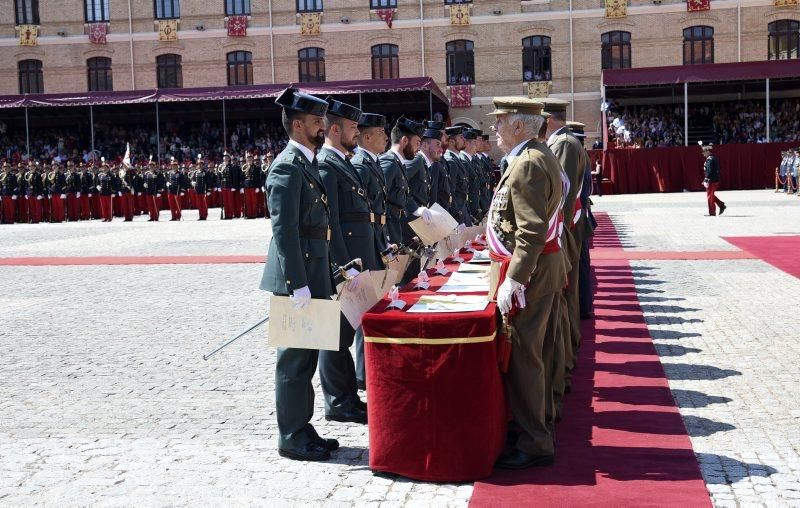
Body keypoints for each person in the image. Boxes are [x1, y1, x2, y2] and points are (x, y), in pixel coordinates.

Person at [259, 87, 341, 462]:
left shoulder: (306, 161)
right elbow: (285, 231)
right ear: (297, 124)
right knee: (293, 362)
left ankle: (303, 427)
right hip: (298, 280)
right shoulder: (287, 166)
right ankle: (291, 435)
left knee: (307, 359)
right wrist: (298, 284)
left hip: (313, 274)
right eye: (314, 121)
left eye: (322, 120)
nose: (322, 126)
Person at [487, 96, 565, 469]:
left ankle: (534, 441)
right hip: (543, 268)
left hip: (532, 272)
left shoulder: (529, 163)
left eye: (499, 122)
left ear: (519, 125)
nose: (494, 129)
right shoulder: (535, 154)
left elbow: (531, 231)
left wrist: (514, 279)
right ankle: (540, 424)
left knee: (525, 355)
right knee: (538, 350)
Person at [316, 96, 372, 422]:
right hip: (343, 266)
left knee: (344, 334)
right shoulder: (326, 163)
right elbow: (332, 222)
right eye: (352, 127)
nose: (357, 132)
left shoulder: (342, 161)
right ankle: (339, 403)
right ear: (335, 130)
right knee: (334, 337)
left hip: (355, 263)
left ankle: (348, 397)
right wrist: (344, 266)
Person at [542, 98, 587, 391]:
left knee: (565, 298)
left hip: (565, 231)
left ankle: (566, 361)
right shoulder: (566, 142)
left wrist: (558, 234)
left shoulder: (565, 145)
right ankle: (567, 357)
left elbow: (564, 197)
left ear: (547, 121)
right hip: (565, 230)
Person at [351, 112, 391, 391]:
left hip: (375, 239)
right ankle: (362, 374)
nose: (386, 138)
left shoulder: (371, 163)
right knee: (362, 311)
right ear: (367, 137)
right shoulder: (360, 164)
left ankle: (366, 371)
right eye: (381, 133)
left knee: (372, 305)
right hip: (362, 243)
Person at [443, 126, 471, 226]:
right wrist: (456, 215)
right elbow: (451, 192)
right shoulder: (450, 161)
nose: (464, 140)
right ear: (451, 142)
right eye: (461, 137)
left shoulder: (456, 159)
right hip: (458, 213)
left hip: (463, 209)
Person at [702, 143, 726, 216]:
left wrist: (706, 179)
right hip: (713, 180)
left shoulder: (710, 159)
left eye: (704, 151)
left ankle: (712, 212)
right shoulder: (712, 158)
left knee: (709, 196)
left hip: (712, 181)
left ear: (708, 151)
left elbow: (709, 170)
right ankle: (721, 205)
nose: (703, 153)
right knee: (711, 195)